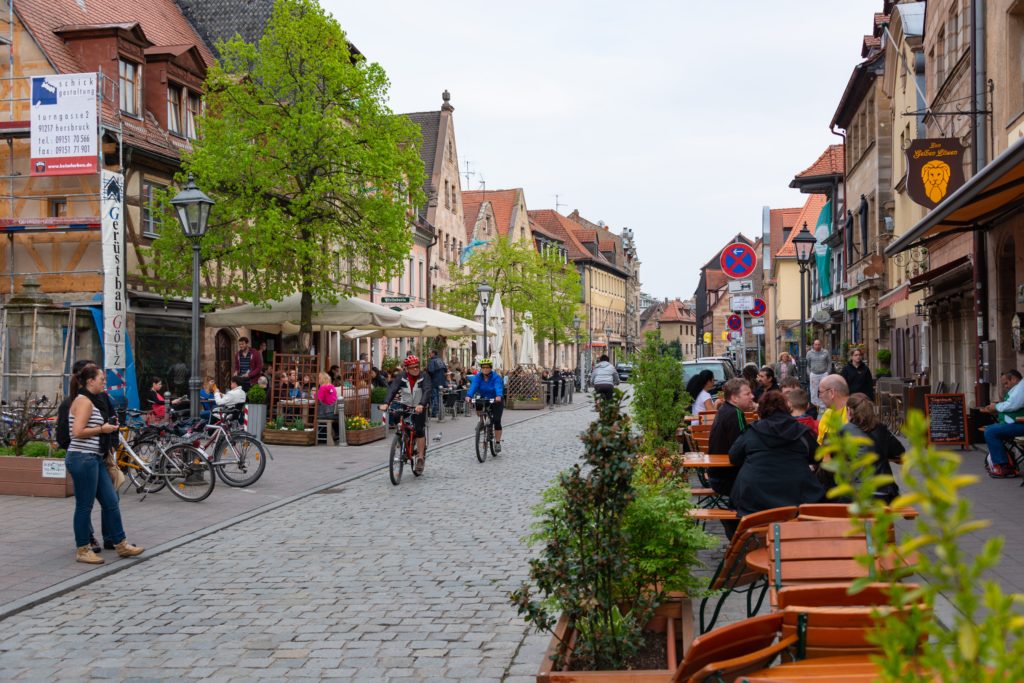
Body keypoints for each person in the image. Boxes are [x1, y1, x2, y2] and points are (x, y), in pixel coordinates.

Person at [66, 364, 144, 564]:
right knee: (85, 506)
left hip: (95, 458)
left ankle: (121, 543)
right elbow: (77, 432)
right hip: (83, 458)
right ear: (90, 381)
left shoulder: (92, 400)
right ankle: (82, 549)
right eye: (102, 379)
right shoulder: (83, 401)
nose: (104, 382)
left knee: (111, 501)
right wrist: (102, 429)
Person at [728, 390, 825, 517]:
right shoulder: (801, 432)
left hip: (754, 499)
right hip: (797, 498)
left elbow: (734, 457)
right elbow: (818, 456)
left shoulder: (752, 431)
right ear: (787, 408)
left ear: (761, 410)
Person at [841, 394, 901, 503]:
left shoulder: (845, 430)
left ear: (849, 411)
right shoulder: (881, 428)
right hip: (884, 492)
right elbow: (899, 452)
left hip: (855, 493)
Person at [382, 356, 432, 474]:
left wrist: (422, 404)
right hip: (405, 405)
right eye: (412, 367)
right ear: (406, 369)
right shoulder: (402, 377)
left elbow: (427, 390)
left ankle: (420, 457)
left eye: (417, 366)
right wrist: (386, 403)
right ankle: (403, 441)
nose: (415, 369)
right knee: (397, 418)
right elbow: (393, 389)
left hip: (420, 406)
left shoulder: (424, 376)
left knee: (419, 429)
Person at [707, 378, 755, 498]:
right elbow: (741, 449)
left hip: (717, 475)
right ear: (734, 398)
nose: (752, 396)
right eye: (747, 394)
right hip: (729, 479)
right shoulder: (735, 413)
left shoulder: (724, 409)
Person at [980, 369, 1024, 478]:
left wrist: (996, 406)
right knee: (990, 429)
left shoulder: (1021, 387)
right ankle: (1004, 461)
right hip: (1018, 423)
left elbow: (1013, 405)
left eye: (1006, 383)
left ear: (1013, 379)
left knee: (991, 432)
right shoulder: (1018, 388)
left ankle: (1003, 466)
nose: (1005, 386)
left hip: (1021, 424)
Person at [465, 358, 505, 452]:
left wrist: (498, 396)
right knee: (477, 403)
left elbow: (498, 386)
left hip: (496, 399)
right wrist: (468, 396)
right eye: (483, 368)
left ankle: (498, 442)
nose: (485, 369)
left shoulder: (496, 377)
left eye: (487, 367)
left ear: (491, 368)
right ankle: (482, 422)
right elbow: (474, 386)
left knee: (497, 421)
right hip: (484, 397)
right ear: (481, 369)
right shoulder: (478, 377)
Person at [816, 374, 850, 445]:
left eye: (820, 392)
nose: (819, 396)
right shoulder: (827, 413)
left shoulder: (855, 413)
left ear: (831, 393)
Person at [806, 339, 832, 410]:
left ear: (821, 345)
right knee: (813, 391)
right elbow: (807, 364)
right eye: (816, 344)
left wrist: (828, 372)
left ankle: (824, 405)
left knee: (825, 390)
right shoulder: (809, 353)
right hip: (814, 374)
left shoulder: (825, 352)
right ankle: (815, 406)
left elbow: (829, 362)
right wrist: (809, 373)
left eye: (818, 344)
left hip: (824, 374)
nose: (817, 346)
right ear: (813, 345)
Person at [315, 371, 340, 443]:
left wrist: (314, 394)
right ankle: (337, 433)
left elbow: (319, 399)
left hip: (326, 413)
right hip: (335, 413)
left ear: (321, 379)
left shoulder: (322, 388)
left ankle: (321, 437)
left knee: (317, 416)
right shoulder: (332, 386)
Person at [427, 349, 448, 417]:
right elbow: (445, 370)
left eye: (430, 353)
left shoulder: (432, 361)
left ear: (433, 353)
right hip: (441, 382)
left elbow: (431, 371)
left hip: (434, 381)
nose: (429, 354)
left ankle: (434, 413)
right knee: (440, 397)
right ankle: (440, 411)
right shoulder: (440, 360)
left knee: (434, 397)